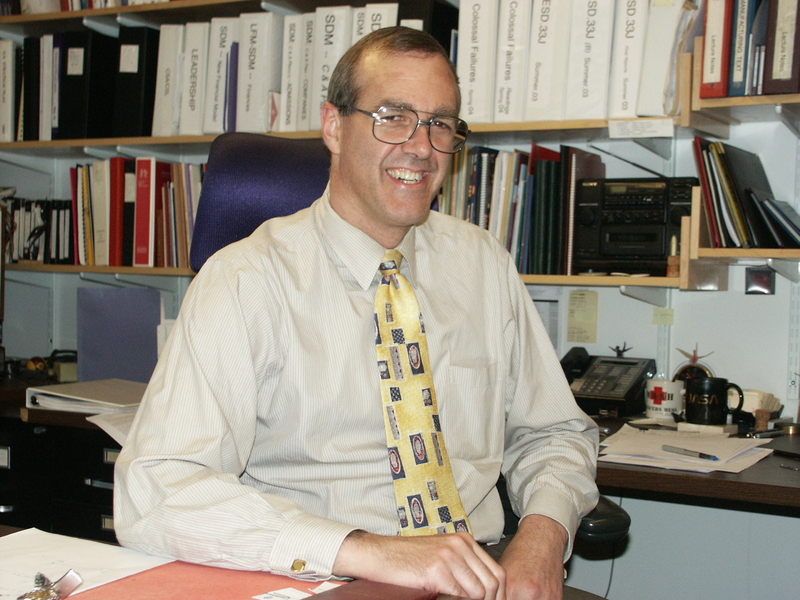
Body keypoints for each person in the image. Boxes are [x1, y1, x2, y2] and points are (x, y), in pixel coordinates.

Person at [114, 26, 599, 600]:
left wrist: (542, 539)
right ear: (333, 127)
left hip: (476, 577)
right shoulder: (246, 280)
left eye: (440, 123)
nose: (421, 146)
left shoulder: (482, 265)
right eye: (393, 116)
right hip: (320, 579)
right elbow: (156, 488)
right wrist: (364, 549)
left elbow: (553, 434)